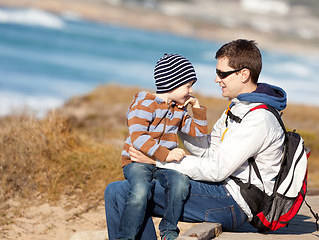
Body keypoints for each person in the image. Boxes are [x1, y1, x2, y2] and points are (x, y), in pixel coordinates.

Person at [105, 39, 287, 240]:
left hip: (234, 202)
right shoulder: (238, 107)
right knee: (121, 190)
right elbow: (209, 152)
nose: (217, 79)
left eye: (222, 73)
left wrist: (158, 160)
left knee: (119, 192)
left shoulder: (258, 118)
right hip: (222, 190)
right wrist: (174, 118)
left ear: (244, 74)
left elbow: (217, 170)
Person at [117, 53, 208, 240]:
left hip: (162, 165)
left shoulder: (178, 111)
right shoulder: (144, 104)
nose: (190, 91)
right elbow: (138, 137)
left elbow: (199, 133)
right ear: (172, 83)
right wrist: (165, 155)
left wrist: (196, 108)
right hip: (136, 162)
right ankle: (126, 236)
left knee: (181, 183)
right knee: (141, 191)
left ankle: (168, 230)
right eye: (188, 86)